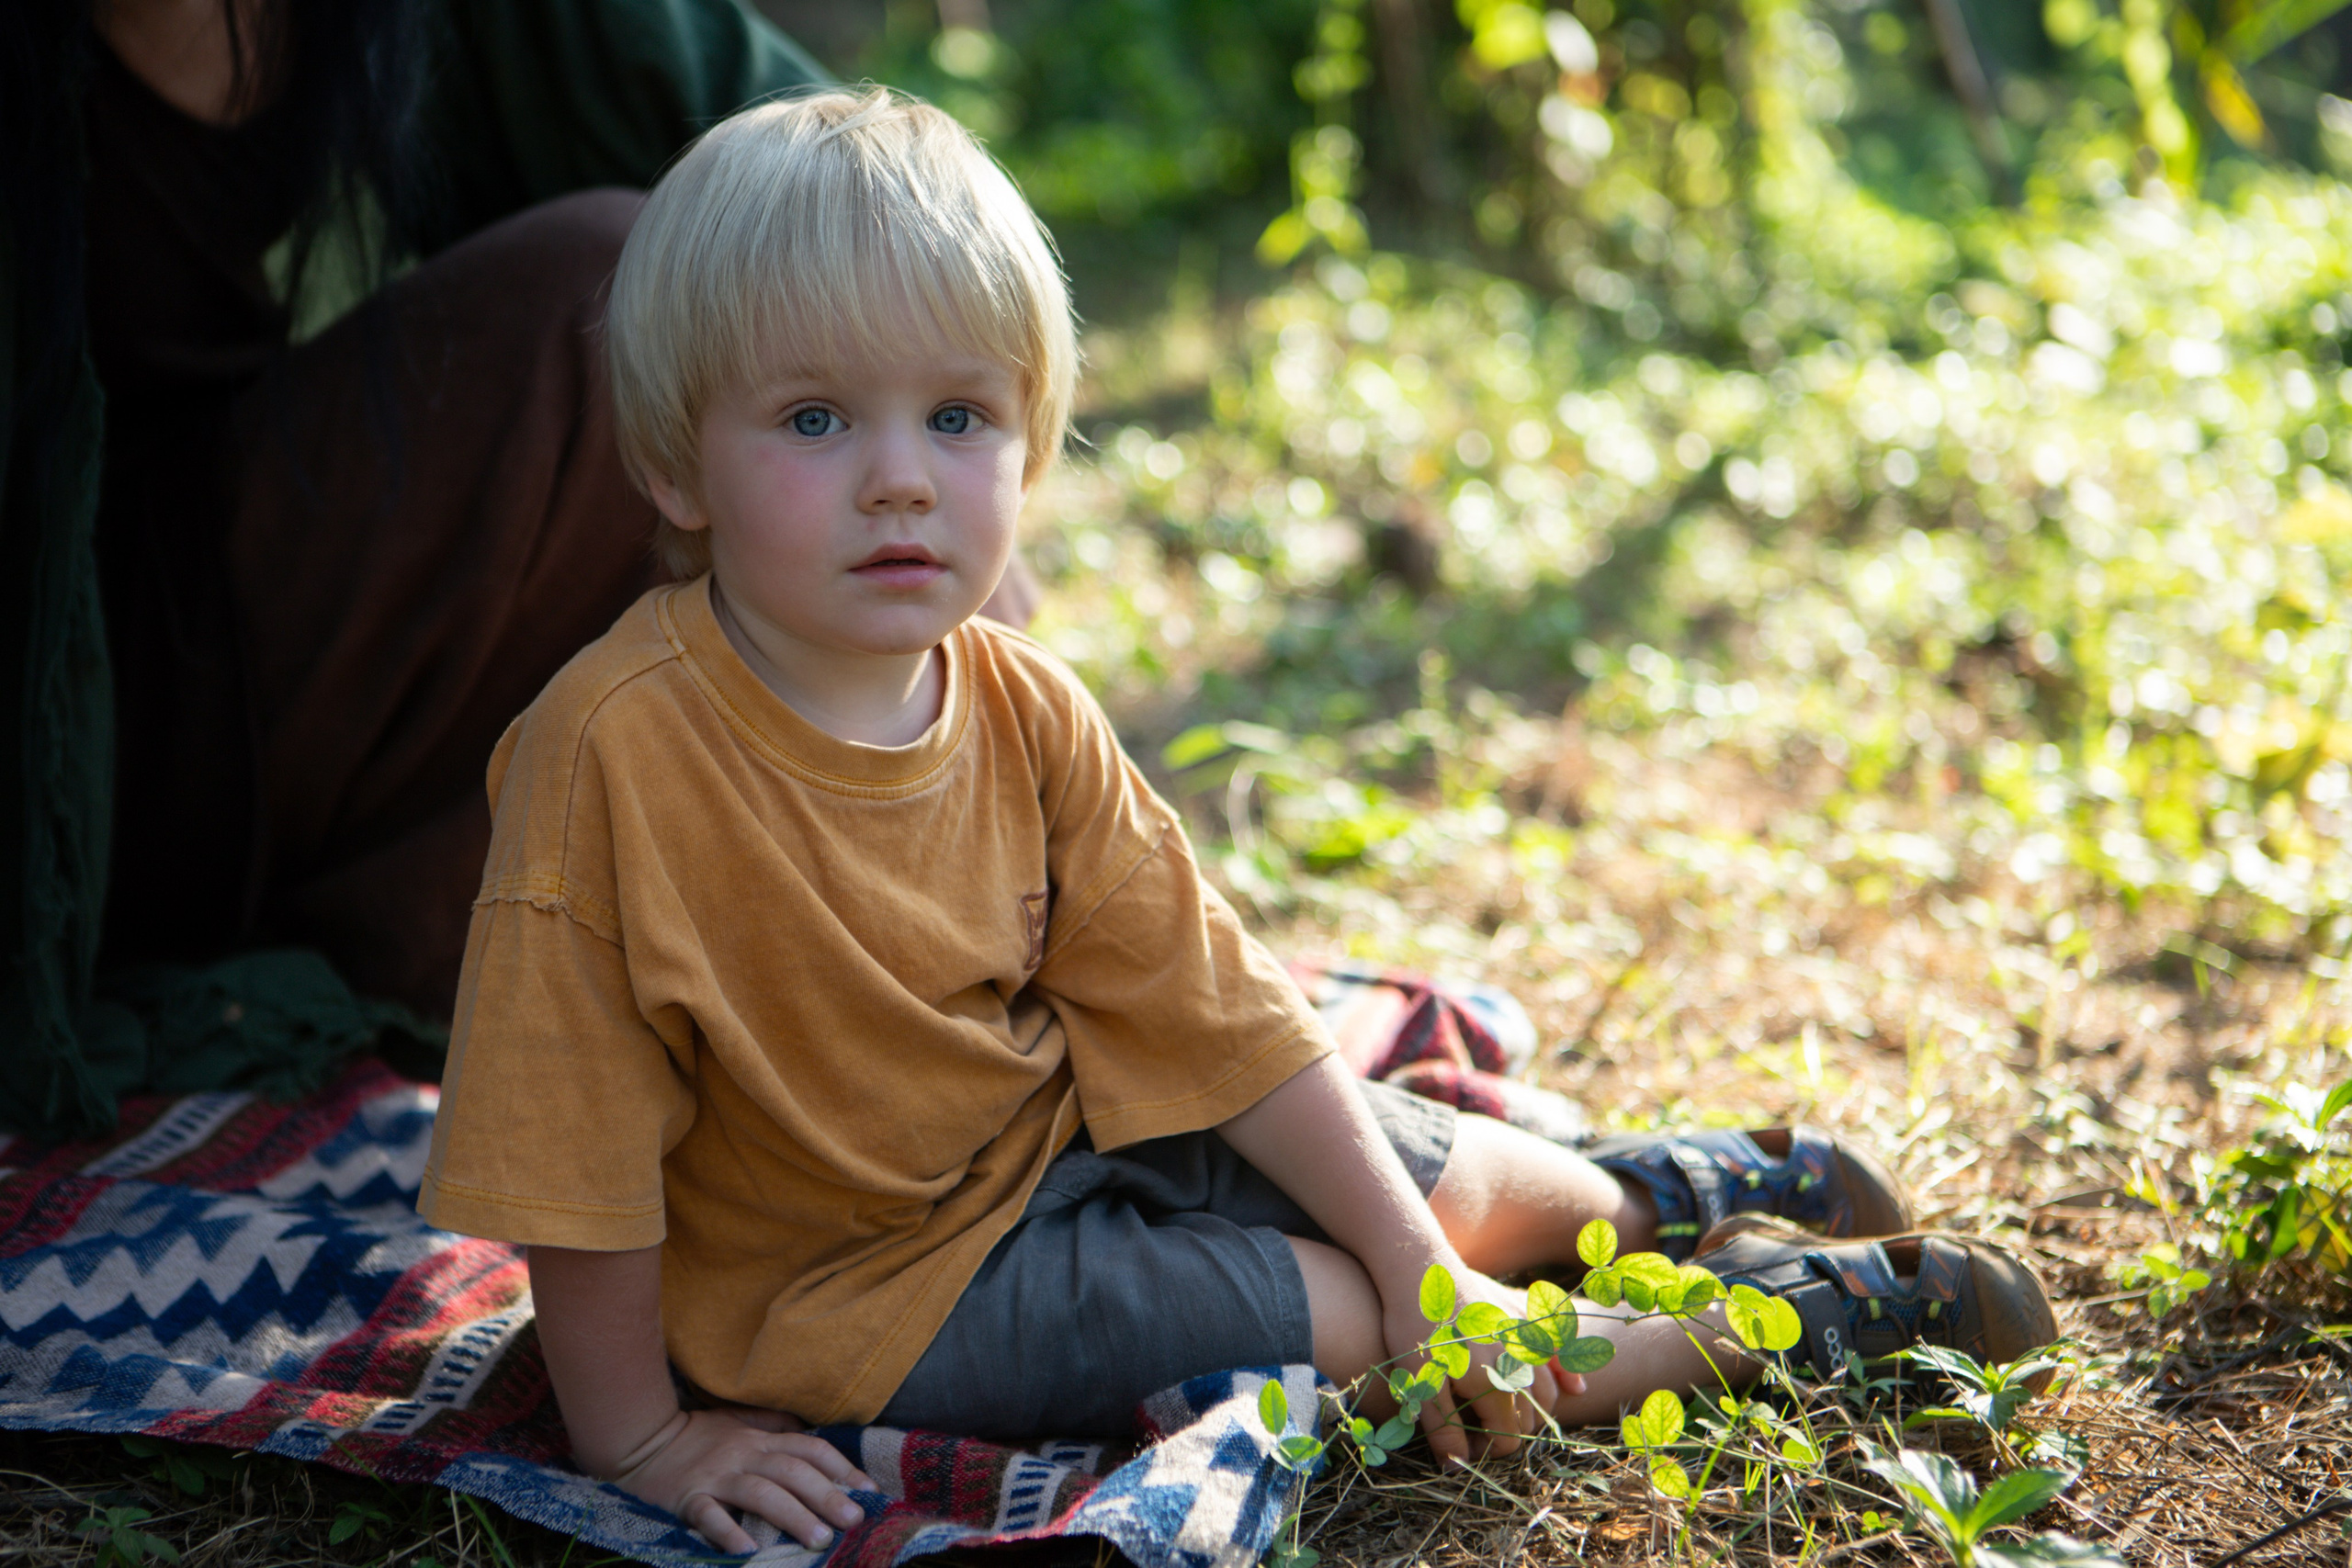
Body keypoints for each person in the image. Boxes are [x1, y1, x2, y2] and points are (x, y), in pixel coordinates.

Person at [416, 89, 2058, 1554]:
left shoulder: (1020, 702)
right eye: (815, 419)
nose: (901, 477)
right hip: (865, 1288)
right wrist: (641, 1436)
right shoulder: (608, 759)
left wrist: (1423, 1236)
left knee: (1460, 1190)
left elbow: (1215, 1008)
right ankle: (1774, 1324)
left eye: (958, 417)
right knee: (1365, 1313)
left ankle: (1644, 1198)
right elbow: (571, 1145)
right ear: (676, 466)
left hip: (1068, 1126)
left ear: (1029, 443)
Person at [0, 0, 1026, 1137]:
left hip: (295, 687)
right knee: (606, 303)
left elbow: (844, 169)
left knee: (741, 443)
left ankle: (823, 982)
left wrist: (931, 480)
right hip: (70, 750)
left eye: (957, 422)